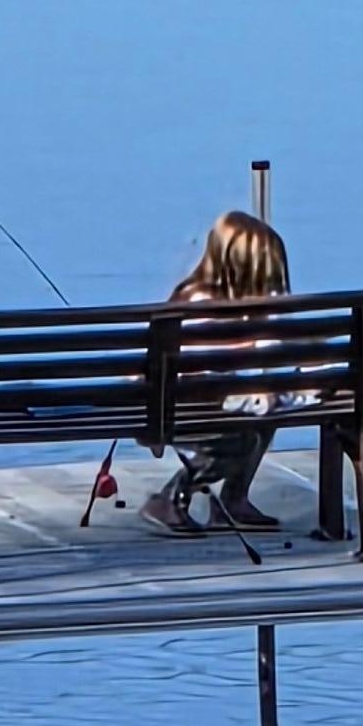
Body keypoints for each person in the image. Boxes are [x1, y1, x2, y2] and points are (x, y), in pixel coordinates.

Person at [143, 209, 291, 535]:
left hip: (203, 401)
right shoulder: (201, 304)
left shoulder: (236, 303)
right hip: (178, 405)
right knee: (242, 438)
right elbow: (205, 366)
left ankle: (234, 500)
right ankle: (169, 498)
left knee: (265, 416)